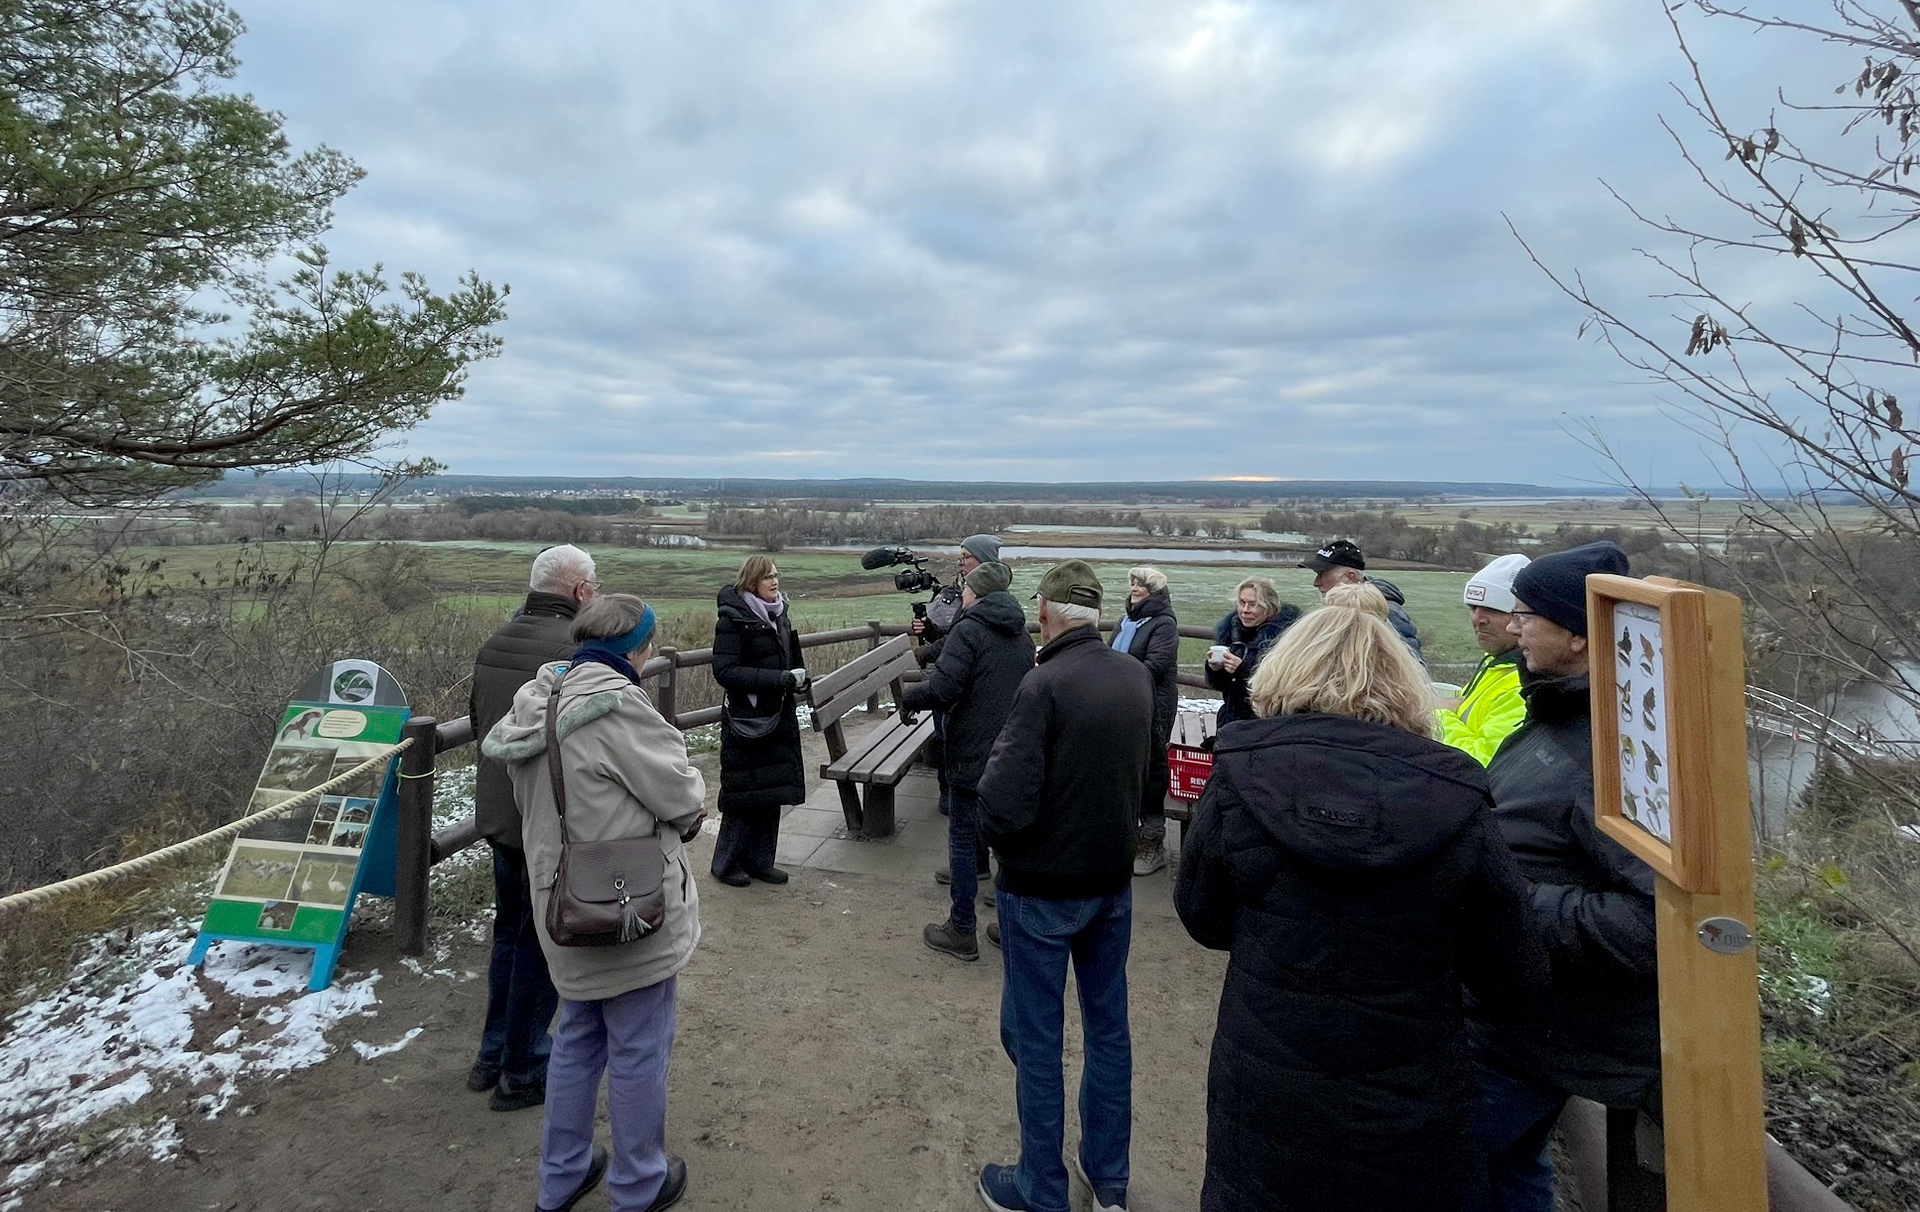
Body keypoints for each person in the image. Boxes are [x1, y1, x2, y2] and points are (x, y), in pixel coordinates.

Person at [1175, 583, 1546, 1212]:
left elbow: (1204, 917)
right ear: (1404, 685)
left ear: (1286, 672)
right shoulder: (1457, 799)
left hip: (1268, 1073)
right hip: (1409, 1094)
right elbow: (1513, 968)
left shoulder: (1241, 776)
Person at [481, 593, 706, 1212]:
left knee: (578, 1034)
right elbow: (682, 796)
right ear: (640, 647)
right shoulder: (619, 709)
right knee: (638, 1044)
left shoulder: (537, 701)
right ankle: (638, 1184)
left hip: (559, 900)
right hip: (626, 905)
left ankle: (562, 1177)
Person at [1463, 541, 1656, 1212]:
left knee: (1437, 1167)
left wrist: (1505, 898)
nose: (1513, 628)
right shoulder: (1564, 716)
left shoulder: (1612, 754)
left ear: (1577, 635)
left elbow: (1653, 923)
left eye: (1526, 616)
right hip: (1519, 1017)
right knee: (1514, 1174)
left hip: (1540, 1036)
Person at [975, 560, 1151, 1212]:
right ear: (1099, 615)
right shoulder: (1133, 677)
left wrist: (998, 839)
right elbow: (1150, 773)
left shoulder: (1043, 684)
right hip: (1112, 884)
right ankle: (1109, 1181)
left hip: (1040, 889)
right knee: (1110, 1031)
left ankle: (1039, 1189)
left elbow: (1003, 802)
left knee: (1038, 1039)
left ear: (1045, 615)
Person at [465, 543, 597, 1112]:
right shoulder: (574, 650)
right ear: (580, 592)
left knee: (508, 936)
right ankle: (522, 1069)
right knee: (540, 945)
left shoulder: (496, 640)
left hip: (499, 814)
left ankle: (490, 1054)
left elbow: (478, 721)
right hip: (542, 819)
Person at [900, 560, 1034, 961]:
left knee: (961, 838)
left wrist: (910, 699)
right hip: (1008, 752)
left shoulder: (970, 630)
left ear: (977, 593)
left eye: (968, 589)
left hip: (971, 753)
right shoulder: (1020, 633)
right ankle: (1011, 928)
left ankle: (961, 929)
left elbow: (943, 688)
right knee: (1007, 842)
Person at [710, 555, 808, 888]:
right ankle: (726, 864)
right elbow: (725, 671)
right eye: (767, 577)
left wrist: (799, 676)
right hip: (747, 719)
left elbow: (787, 657)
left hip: (777, 715)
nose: (774, 582)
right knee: (745, 792)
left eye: (777, 576)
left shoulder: (779, 613)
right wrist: (777, 679)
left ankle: (760, 861)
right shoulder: (733, 618)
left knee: (771, 790)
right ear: (752, 581)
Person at [1110, 566, 1179, 876]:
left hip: (1152, 706)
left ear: (1154, 590)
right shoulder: (1127, 619)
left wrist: (1116, 679)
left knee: (1152, 769)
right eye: (1132, 583)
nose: (1134, 588)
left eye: (1141, 584)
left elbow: (1155, 665)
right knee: (1123, 765)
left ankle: (1152, 840)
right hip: (1123, 702)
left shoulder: (1163, 624)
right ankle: (1126, 834)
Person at [1437, 554, 1531, 765]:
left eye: (1493, 609)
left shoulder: (1524, 685)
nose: (1478, 619)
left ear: (1522, 617)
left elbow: (1483, 762)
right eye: (1473, 607)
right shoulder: (1496, 663)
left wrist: (1436, 714)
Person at [1300, 539, 1424, 662]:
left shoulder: (1385, 612)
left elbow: (1411, 668)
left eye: (1322, 574)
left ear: (1350, 577)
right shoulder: (1361, 609)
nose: (1316, 583)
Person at [1205, 576, 1300, 725]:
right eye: (1242, 603)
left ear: (1270, 608)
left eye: (1253, 604)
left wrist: (1242, 670)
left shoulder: (1286, 640)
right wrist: (1214, 669)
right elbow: (1219, 685)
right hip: (1231, 720)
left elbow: (1282, 688)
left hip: (1266, 724)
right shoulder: (1231, 632)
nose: (1245, 610)